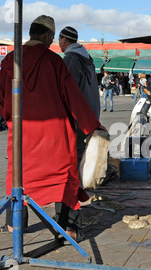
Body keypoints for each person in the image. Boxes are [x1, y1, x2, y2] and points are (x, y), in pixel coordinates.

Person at [0, 15, 105, 241]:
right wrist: (93, 126)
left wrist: (11, 119)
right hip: (55, 135)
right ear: (46, 35)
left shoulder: (10, 61)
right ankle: (69, 228)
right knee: (64, 177)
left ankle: (14, 225)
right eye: (52, 38)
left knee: (18, 175)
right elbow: (73, 97)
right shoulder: (55, 62)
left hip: (22, 134)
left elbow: (0, 96)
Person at [58, 25, 101, 190]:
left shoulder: (71, 58)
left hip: (79, 112)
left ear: (65, 39)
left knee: (75, 150)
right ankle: (84, 182)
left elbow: (69, 88)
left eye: (59, 39)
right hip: (90, 110)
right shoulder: (85, 56)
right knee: (82, 148)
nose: (59, 43)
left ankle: (76, 186)